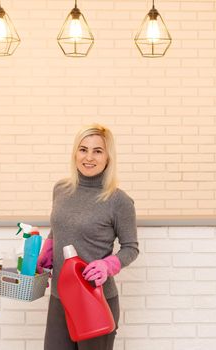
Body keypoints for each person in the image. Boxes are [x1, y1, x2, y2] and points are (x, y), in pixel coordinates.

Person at [37, 123, 139, 350]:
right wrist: (48, 249)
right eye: (83, 149)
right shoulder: (61, 189)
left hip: (95, 300)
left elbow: (131, 247)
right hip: (60, 298)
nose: (89, 157)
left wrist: (108, 265)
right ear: (75, 153)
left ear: (108, 157)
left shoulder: (118, 201)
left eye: (98, 151)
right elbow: (60, 226)